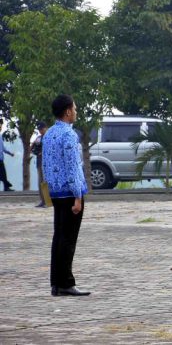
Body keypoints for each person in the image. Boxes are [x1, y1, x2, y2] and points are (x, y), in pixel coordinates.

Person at [44, 95, 90, 296]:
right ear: (67, 111)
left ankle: (56, 282)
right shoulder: (69, 135)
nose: (76, 112)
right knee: (68, 239)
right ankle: (66, 282)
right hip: (71, 193)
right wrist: (78, 196)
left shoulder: (49, 134)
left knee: (59, 237)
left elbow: (46, 165)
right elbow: (72, 167)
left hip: (55, 192)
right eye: (75, 108)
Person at [32, 121, 49, 208]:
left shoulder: (49, 137)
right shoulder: (38, 138)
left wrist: (43, 152)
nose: (40, 131)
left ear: (45, 128)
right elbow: (33, 148)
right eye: (39, 129)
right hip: (39, 162)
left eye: (42, 129)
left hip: (47, 163)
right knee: (40, 182)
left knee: (45, 182)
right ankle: (42, 201)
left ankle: (47, 201)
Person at [0, 118, 15, 191]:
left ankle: (6, 185)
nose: (0, 128)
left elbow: (3, 148)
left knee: (3, 173)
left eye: (1, 127)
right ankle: (6, 185)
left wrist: (10, 153)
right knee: (2, 173)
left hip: (1, 158)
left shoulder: (0, 136)